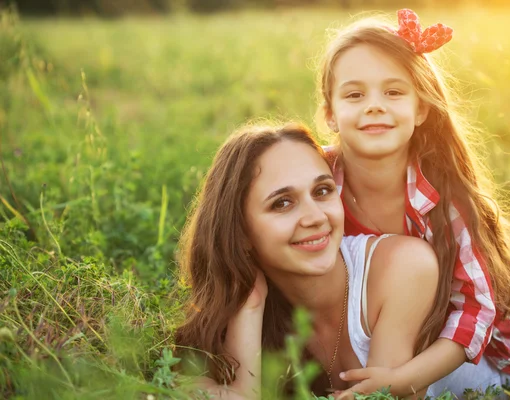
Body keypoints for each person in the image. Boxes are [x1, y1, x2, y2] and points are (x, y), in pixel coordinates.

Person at [314, 8, 510, 395]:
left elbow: (476, 310)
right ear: (330, 113)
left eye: (394, 91)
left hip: (506, 303)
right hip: (418, 317)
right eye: (354, 94)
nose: (374, 105)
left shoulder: (446, 199)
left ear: (421, 109)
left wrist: (404, 379)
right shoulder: (314, 181)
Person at [174, 123, 443, 399]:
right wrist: (250, 304)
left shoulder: (404, 267)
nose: (315, 217)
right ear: (240, 232)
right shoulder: (248, 305)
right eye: (282, 203)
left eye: (322, 191)